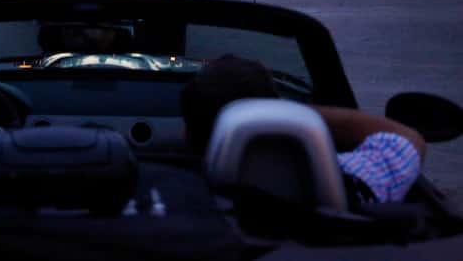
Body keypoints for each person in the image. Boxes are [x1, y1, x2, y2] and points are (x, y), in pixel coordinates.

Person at [180, 54, 426, 204]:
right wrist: (289, 114)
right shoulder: (342, 184)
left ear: (187, 135)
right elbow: (406, 139)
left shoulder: (161, 197)